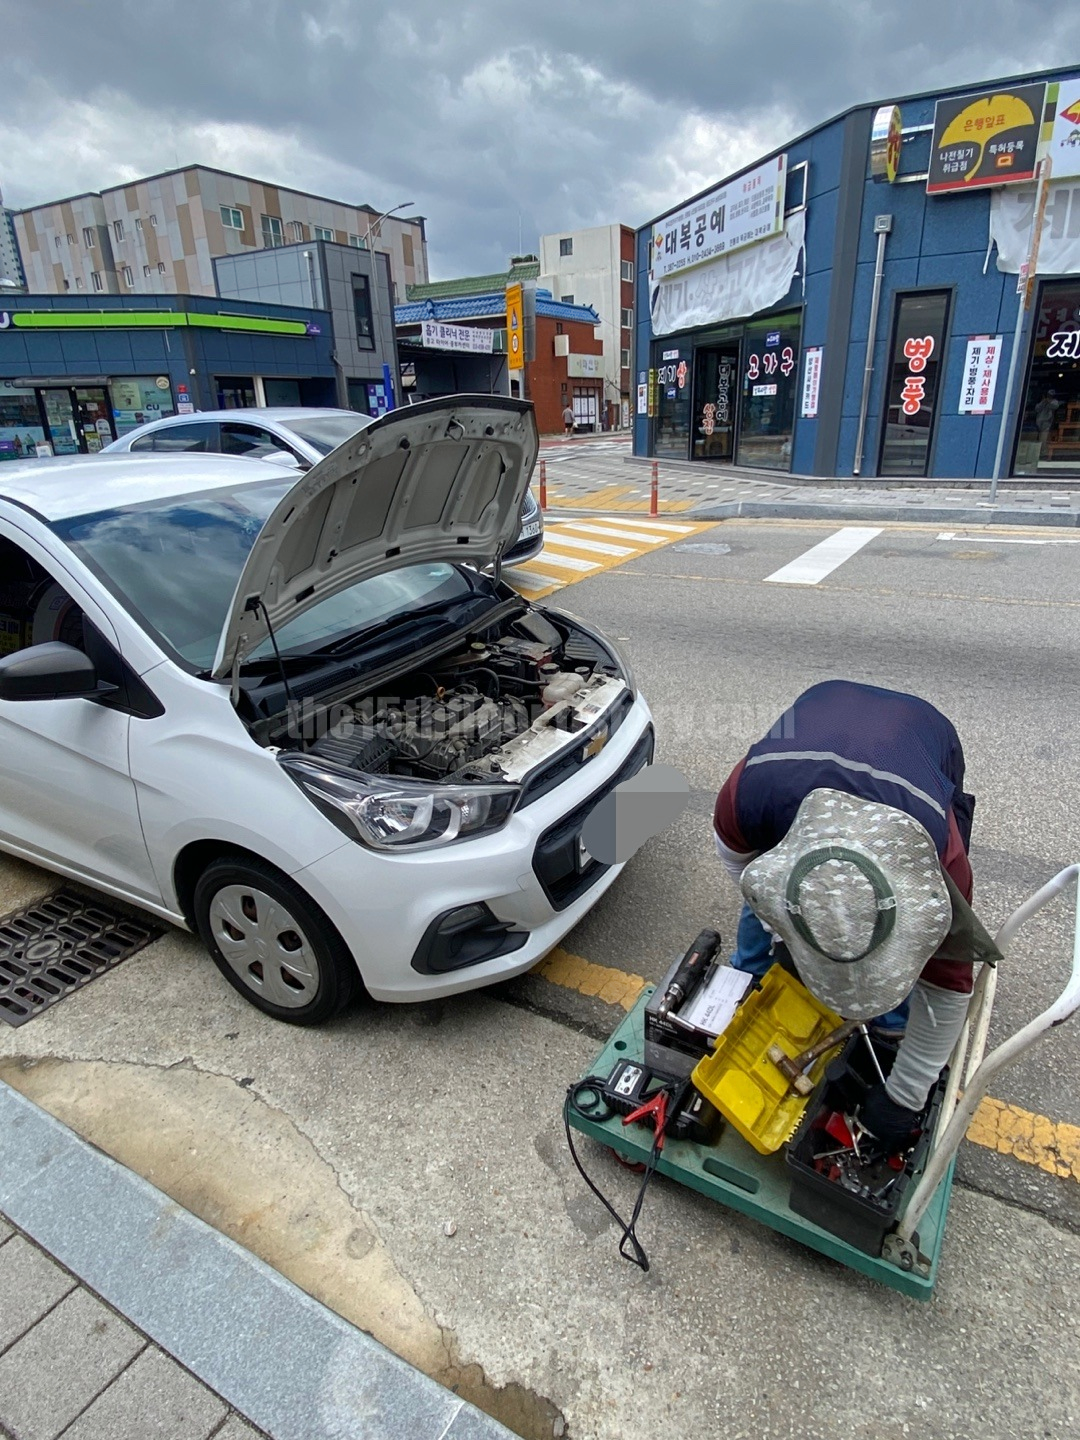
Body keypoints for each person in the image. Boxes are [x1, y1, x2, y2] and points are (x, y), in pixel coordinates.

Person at [713, 679, 994, 1151]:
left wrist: (905, 1095)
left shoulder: (939, 866)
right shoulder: (747, 799)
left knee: (910, 1000)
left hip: (920, 733)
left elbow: (948, 987)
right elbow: (743, 869)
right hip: (818, 714)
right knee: (760, 909)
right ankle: (751, 983)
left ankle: (886, 1026)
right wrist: (775, 924)